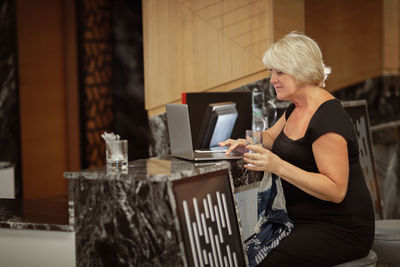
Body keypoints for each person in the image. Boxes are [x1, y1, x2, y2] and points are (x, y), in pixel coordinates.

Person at [219, 32, 375, 266]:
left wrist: (278, 165)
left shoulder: (326, 119)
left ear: (301, 71)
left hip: (341, 229)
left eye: (279, 72)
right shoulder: (296, 108)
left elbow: (335, 190)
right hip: (303, 221)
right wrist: (248, 141)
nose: (272, 79)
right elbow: (272, 136)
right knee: (244, 253)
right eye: (271, 72)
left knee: (264, 261)